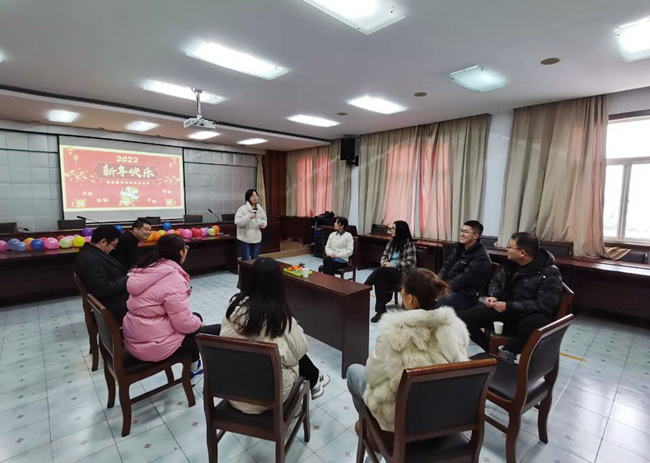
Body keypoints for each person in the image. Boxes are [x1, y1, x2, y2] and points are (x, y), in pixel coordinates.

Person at [347, 268, 469, 432]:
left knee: (353, 371)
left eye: (402, 291)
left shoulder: (394, 332)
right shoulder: (456, 327)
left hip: (400, 417)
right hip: (440, 413)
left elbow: (372, 376)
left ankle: (368, 430)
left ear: (410, 299)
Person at [221, 257, 330, 413]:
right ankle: (314, 381)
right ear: (278, 284)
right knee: (291, 355)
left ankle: (316, 378)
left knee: (284, 350)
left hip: (233, 391)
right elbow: (301, 349)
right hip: (268, 397)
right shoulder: (278, 316)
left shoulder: (233, 307)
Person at [122, 234, 221, 381]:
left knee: (196, 317)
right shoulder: (173, 279)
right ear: (181, 252)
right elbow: (184, 324)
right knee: (218, 330)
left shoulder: (148, 269)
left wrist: (196, 321)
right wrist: (200, 324)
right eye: (186, 248)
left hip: (137, 337)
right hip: (153, 346)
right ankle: (205, 372)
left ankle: (194, 368)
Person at [458, 232, 563, 364]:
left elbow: (545, 304)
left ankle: (510, 351)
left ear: (522, 253)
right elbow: (496, 281)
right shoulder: (510, 263)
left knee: (537, 321)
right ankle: (491, 350)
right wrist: (494, 296)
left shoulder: (549, 271)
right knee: (462, 318)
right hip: (504, 311)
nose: (506, 249)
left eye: (509, 246)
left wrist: (509, 306)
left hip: (527, 316)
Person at [364, 221, 417, 323]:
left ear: (400, 230)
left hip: (402, 274)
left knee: (380, 272)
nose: (390, 231)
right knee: (379, 279)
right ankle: (381, 310)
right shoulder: (391, 242)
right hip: (388, 272)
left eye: (393, 229)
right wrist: (383, 262)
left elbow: (411, 263)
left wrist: (393, 265)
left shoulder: (409, 244)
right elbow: (384, 255)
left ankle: (365, 287)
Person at [74, 225, 129, 323]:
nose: (114, 249)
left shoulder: (93, 253)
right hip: (112, 305)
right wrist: (128, 278)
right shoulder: (90, 260)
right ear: (103, 242)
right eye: (114, 245)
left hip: (115, 298)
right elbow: (103, 289)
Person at [436, 220, 492, 310]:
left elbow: (464, 279)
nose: (462, 234)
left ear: (475, 236)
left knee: (438, 300)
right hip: (450, 287)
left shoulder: (481, 256)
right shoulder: (458, 247)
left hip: (467, 294)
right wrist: (437, 281)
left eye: (465, 232)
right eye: (461, 231)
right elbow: (446, 266)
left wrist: (443, 287)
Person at [234, 189, 268, 261]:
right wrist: (248, 217)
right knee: (246, 260)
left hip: (256, 237)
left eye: (256, 195)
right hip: (245, 237)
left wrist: (263, 224)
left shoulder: (260, 209)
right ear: (248, 197)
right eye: (252, 196)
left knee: (255, 259)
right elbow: (237, 221)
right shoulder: (242, 209)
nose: (255, 197)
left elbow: (264, 219)